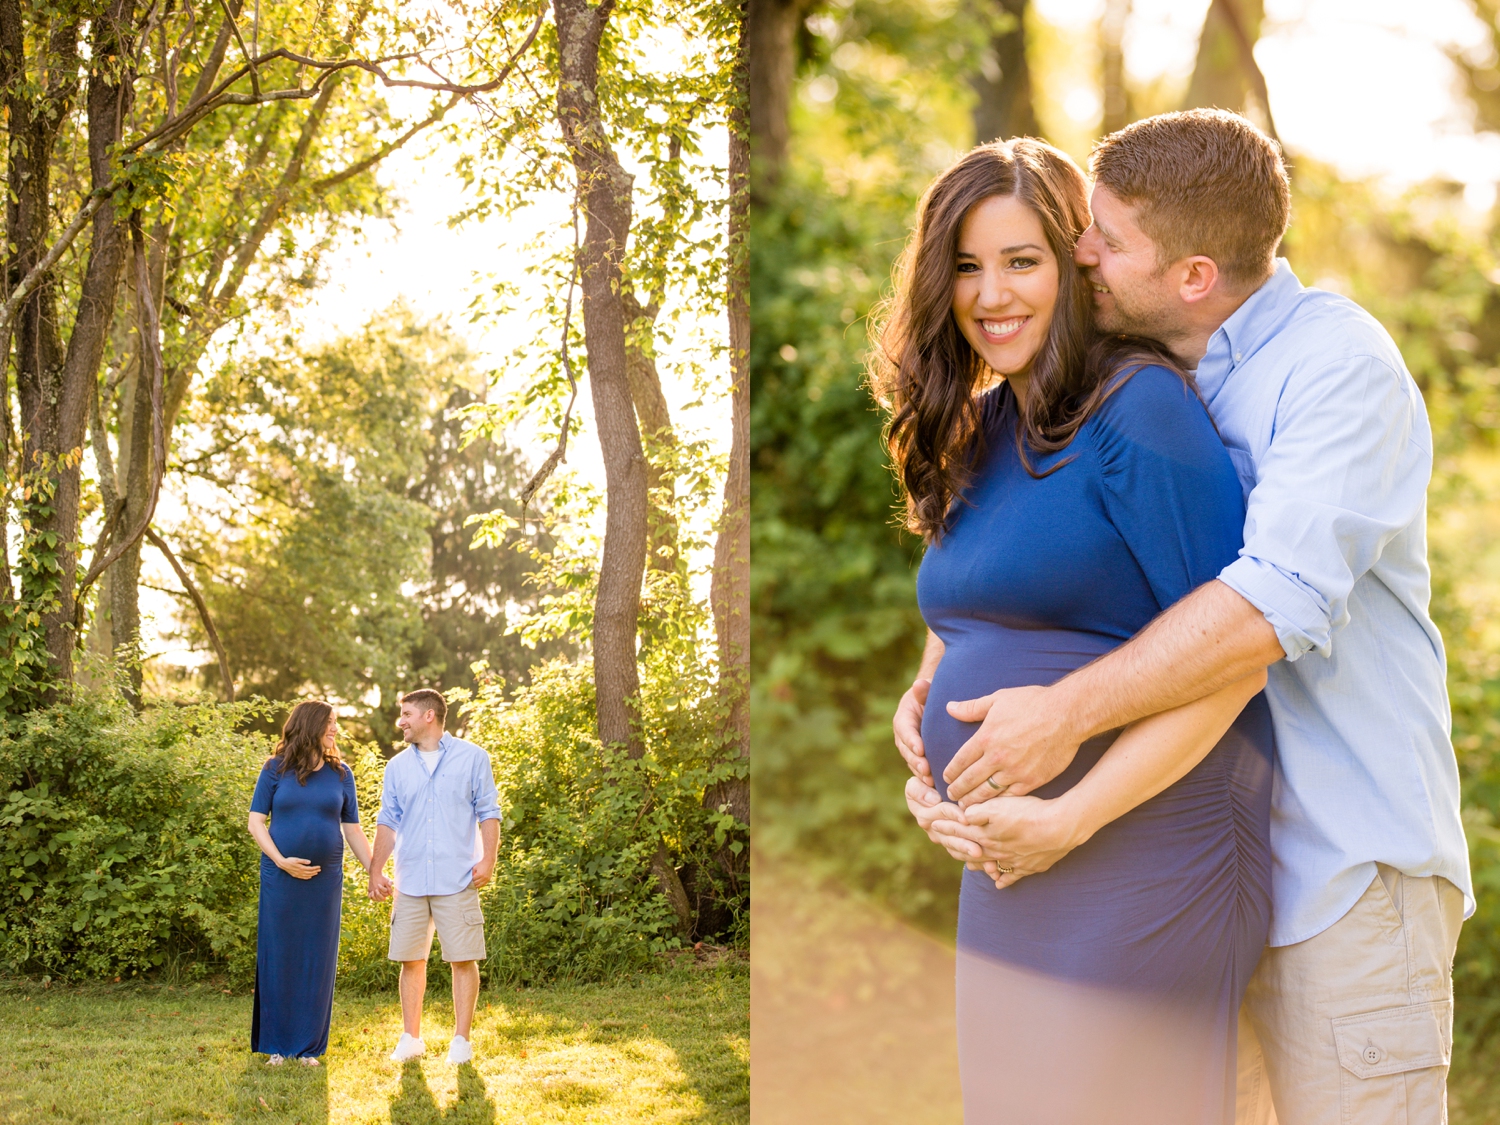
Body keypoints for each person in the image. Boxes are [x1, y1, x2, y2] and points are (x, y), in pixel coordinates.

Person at [897, 110, 1473, 1124]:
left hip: (1340, 868)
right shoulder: (1151, 376)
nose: (1082, 256)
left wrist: (1061, 731)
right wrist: (939, 687)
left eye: (1101, 241)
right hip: (1175, 844)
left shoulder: (1332, 369)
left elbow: (1257, 620)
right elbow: (1057, 574)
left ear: (1194, 273)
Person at [870, 135, 1275, 1124]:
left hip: (1147, 848)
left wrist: (1072, 815)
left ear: (1075, 261)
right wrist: (927, 749)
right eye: (966, 265)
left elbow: (1236, 668)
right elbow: (968, 616)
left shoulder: (1140, 411)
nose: (991, 293)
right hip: (1013, 866)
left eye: (1022, 261)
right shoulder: (979, 427)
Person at [368, 688, 500, 1065]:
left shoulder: (473, 758)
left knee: (463, 958)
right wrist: (376, 869)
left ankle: (461, 1040)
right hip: (409, 880)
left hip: (457, 876)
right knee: (412, 960)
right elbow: (388, 821)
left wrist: (488, 859)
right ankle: (411, 1037)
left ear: (429, 716)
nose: (401, 721)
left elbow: (489, 811)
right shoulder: (397, 767)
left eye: (407, 714)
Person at [247, 700, 372, 1066]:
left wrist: (374, 871)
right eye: (330, 723)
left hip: (325, 882)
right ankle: (276, 1047)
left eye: (336, 723)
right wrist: (281, 861)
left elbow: (353, 830)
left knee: (317, 959)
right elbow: (256, 822)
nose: (335, 729)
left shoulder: (340, 773)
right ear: (310, 725)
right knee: (279, 956)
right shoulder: (274, 769)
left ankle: (308, 1048)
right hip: (279, 878)